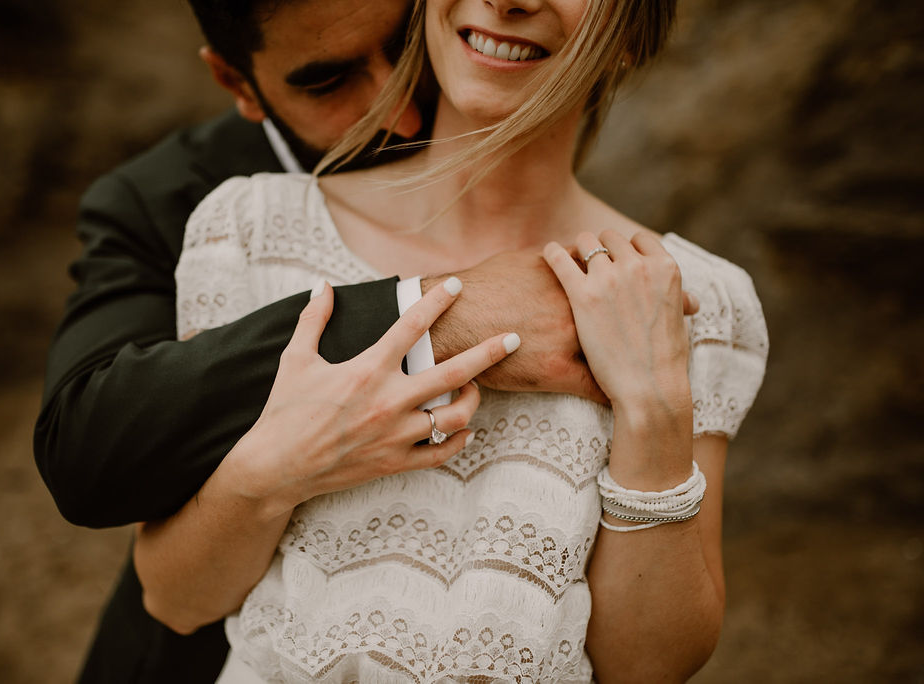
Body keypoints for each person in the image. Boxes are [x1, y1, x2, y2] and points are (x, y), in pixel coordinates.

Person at [133, 0, 769, 681]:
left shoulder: (691, 295)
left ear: (629, 35)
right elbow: (178, 598)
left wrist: (653, 409)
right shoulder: (253, 230)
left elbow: (648, 666)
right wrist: (294, 460)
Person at [36, 0, 635, 681]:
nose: (402, 113)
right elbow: (86, 444)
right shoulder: (170, 198)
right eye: (326, 81)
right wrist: (427, 318)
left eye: (404, 45)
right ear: (238, 84)